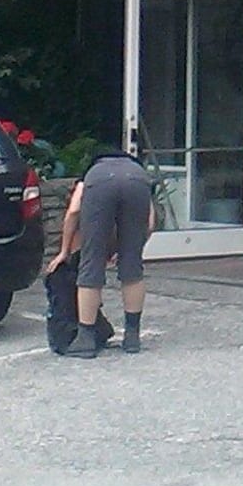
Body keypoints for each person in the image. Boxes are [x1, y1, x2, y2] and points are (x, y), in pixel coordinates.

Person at [48, 137, 155, 357]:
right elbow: (150, 223)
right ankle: (132, 337)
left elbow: (74, 211)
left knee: (91, 265)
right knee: (132, 269)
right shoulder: (137, 171)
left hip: (101, 185)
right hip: (137, 184)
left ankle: (86, 339)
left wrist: (64, 251)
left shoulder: (93, 172)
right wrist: (132, 249)